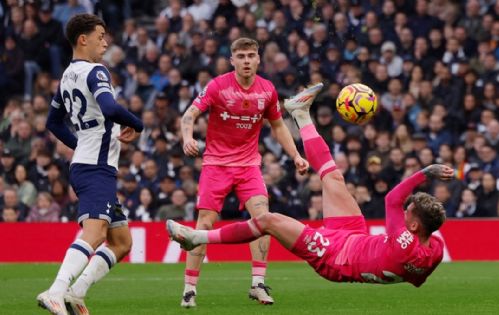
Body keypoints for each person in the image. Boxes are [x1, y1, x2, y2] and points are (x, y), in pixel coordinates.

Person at [168, 86, 452, 290]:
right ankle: (300, 113)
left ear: (414, 227)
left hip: (334, 257)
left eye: (408, 213)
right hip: (355, 237)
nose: (403, 214)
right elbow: (417, 279)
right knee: (332, 177)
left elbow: (392, 199)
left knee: (269, 220)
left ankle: (197, 237)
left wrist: (425, 173)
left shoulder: (405, 244)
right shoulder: (435, 249)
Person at [178, 37, 311, 307]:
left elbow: (278, 126)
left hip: (249, 165)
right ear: (232, 60)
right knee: (205, 224)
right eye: (241, 56)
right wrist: (187, 138)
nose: (247, 60)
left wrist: (296, 154)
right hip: (216, 164)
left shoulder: (267, 90)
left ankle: (258, 284)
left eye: (251, 55)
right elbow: (189, 115)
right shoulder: (217, 86)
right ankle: (189, 289)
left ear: (259, 59)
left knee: (263, 219)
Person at [38, 14, 144, 315]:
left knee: (122, 241)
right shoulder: (96, 71)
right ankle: (56, 291)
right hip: (95, 170)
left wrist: (81, 145)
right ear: (83, 39)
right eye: (100, 36)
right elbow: (109, 107)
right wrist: (138, 124)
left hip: (91, 165)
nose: (105, 42)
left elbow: (52, 123)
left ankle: (76, 292)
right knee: (95, 234)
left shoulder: (67, 76)